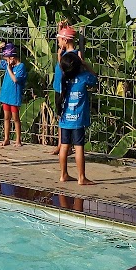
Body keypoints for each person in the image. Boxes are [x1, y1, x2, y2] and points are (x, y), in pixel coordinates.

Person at [57, 51, 98, 185]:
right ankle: (81, 177)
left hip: (65, 119)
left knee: (64, 146)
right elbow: (95, 78)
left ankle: (63, 174)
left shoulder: (63, 79)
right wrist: (86, 65)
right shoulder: (84, 77)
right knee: (79, 147)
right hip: (78, 119)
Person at [51, 22, 83, 155]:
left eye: (59, 40)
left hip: (65, 88)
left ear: (65, 40)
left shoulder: (73, 56)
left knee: (64, 116)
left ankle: (65, 145)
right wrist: (61, 29)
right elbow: (61, 40)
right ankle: (61, 144)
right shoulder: (65, 52)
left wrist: (59, 58)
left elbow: (66, 70)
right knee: (60, 116)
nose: (58, 42)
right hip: (59, 87)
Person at [0, 42, 27, 147]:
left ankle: (18, 139)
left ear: (12, 57)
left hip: (14, 96)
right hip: (6, 95)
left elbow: (15, 80)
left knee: (15, 118)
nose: (6, 61)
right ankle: (6, 138)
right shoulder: (8, 64)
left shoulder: (20, 67)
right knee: (6, 117)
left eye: (7, 58)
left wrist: (9, 68)